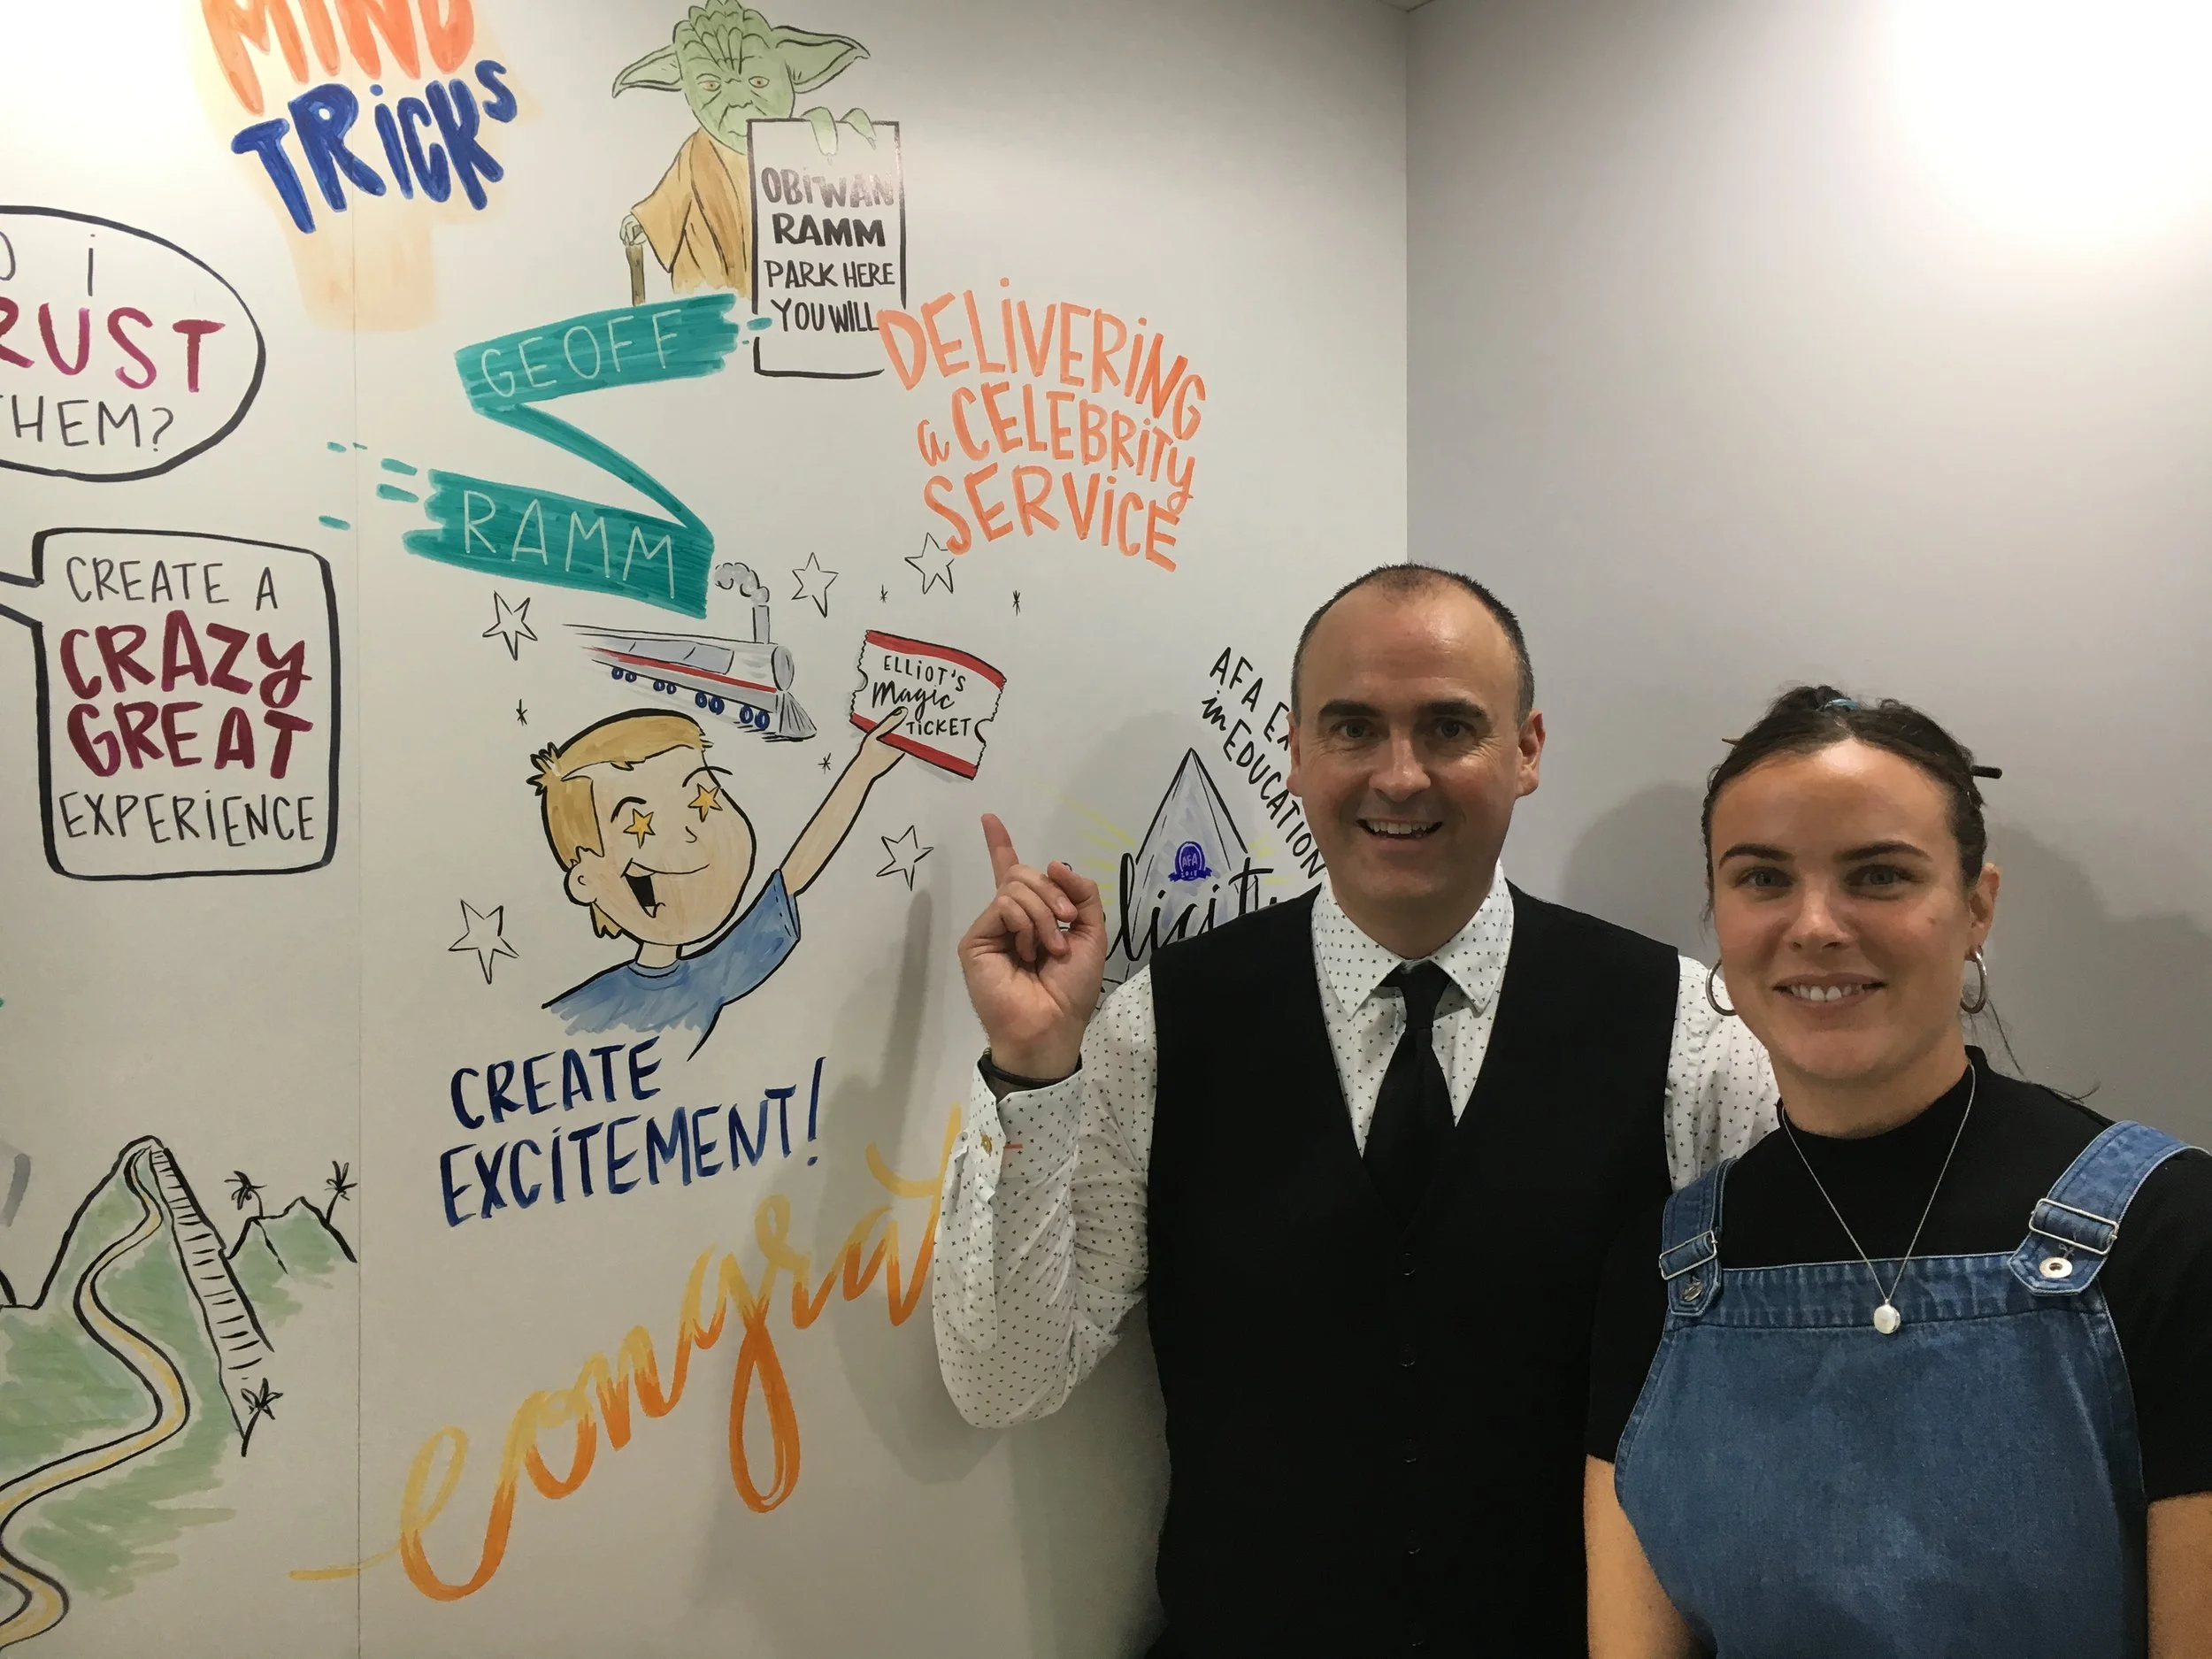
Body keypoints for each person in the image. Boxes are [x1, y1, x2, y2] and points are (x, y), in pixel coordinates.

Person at [934, 565, 1778, 1657]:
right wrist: (1033, 1071)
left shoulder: (1688, 1032)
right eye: (1352, 728)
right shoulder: (1151, 1031)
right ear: (1293, 748)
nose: (1399, 775)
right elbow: (1004, 1377)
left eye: (1449, 728)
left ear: (1525, 750)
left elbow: (1779, 1416)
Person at [1584, 687, 2212, 1659]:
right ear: (1716, 913)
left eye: (1878, 875)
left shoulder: (2171, 1237)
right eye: (1761, 879)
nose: (1817, 925)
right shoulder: (1657, 1281)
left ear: (1975, 909)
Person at [533, 703, 905, 1051]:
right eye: (638, 825)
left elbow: (794, 876)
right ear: (585, 881)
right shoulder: (579, 1016)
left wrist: (863, 771)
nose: (690, 835)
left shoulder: (711, 977)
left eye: (702, 795)